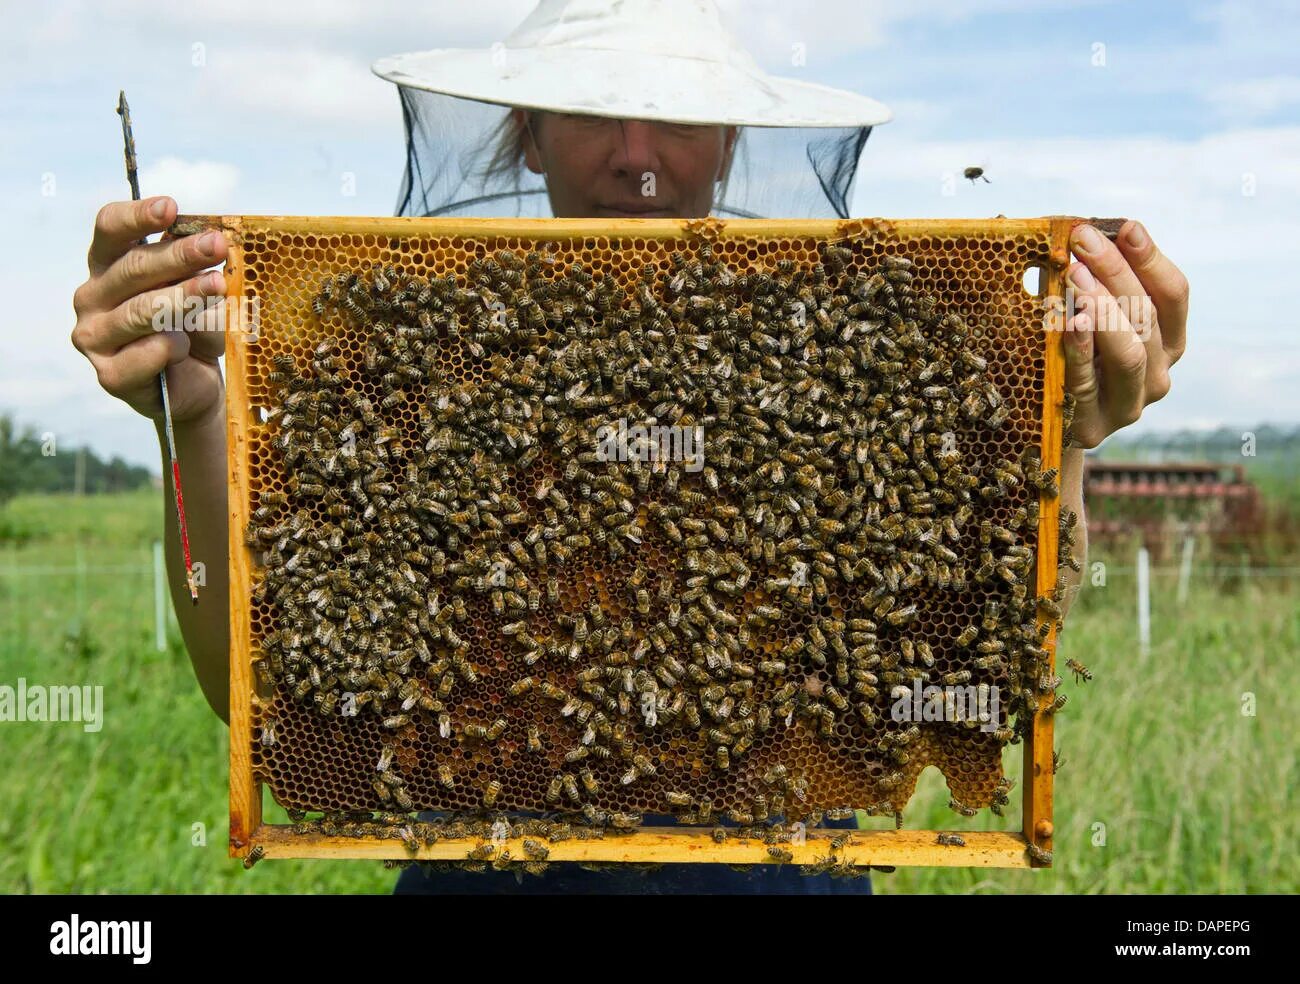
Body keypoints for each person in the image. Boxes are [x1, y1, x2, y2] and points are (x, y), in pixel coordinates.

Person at [69, 0, 1188, 894]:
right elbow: (256, 690)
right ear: (524, 130)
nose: (636, 156)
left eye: (676, 118)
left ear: (734, 142)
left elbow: (976, 655)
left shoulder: (835, 364)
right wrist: (200, 415)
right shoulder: (422, 379)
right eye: (593, 112)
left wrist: (1066, 437)